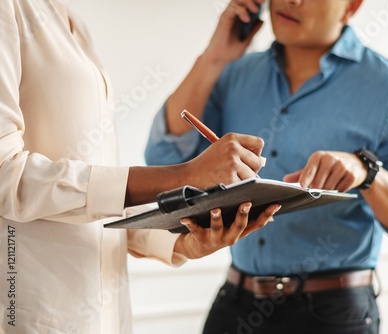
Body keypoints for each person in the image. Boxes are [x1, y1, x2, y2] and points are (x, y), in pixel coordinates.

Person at [145, 0, 388, 333]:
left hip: (332, 316)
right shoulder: (233, 75)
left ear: (351, 6)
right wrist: (214, 57)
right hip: (234, 308)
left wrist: (368, 173)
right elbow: (165, 163)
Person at [0, 1, 280, 333]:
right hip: (30, 313)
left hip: (104, 316)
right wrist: (184, 175)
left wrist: (181, 242)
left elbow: (97, 198)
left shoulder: (72, 22)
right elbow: (6, 176)